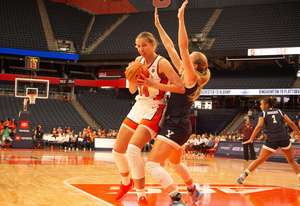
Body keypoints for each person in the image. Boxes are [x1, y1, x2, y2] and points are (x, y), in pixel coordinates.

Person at [138, 2, 210, 205]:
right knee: (175, 162)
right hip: (183, 125)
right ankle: (193, 191)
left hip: (176, 125)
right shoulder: (184, 73)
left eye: (189, 59)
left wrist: (181, 19)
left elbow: (182, 46)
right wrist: (159, 26)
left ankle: (176, 200)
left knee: (152, 164)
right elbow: (170, 47)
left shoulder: (190, 76)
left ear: (193, 64)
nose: (185, 58)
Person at [112, 25, 184, 206]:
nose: (140, 49)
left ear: (153, 45)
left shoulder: (162, 63)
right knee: (117, 151)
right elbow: (132, 90)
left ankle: (141, 195)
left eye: (144, 45)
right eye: (138, 46)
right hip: (138, 105)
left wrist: (154, 83)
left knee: (133, 150)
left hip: (156, 107)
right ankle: (126, 182)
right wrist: (131, 76)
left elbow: (180, 88)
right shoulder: (137, 60)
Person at [237, 97, 300, 185]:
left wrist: (251, 138)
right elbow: (291, 123)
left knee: (259, 160)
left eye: (261, 104)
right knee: (292, 161)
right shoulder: (279, 111)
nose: (260, 106)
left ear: (266, 104)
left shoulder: (263, 113)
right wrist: (299, 133)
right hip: (284, 137)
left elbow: (259, 126)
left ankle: (243, 176)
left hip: (272, 139)